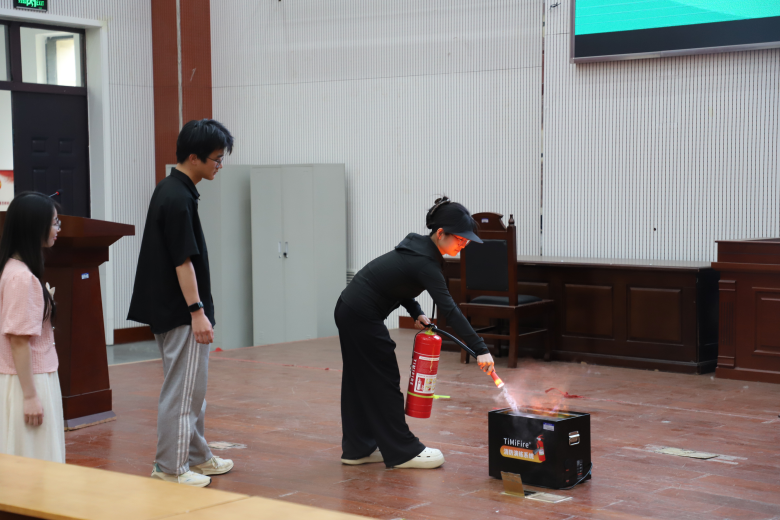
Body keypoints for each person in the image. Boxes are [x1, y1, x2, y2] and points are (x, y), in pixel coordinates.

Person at [335, 196, 495, 470]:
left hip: (350, 309)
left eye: (466, 241)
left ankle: (357, 448)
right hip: (360, 315)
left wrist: (416, 311)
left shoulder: (418, 251)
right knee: (384, 379)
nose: (463, 245)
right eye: (460, 239)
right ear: (440, 233)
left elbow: (397, 284)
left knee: (358, 380)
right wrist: (480, 348)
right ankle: (403, 451)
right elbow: (450, 310)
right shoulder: (425, 262)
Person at [128, 119, 235, 487]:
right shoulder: (177, 197)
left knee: (192, 389)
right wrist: (197, 312)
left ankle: (197, 457)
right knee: (183, 391)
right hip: (180, 312)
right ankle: (170, 468)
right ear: (194, 157)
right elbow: (182, 260)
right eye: (216, 159)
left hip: (173, 309)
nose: (219, 165)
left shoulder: (175, 190)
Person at [0, 192, 64, 462]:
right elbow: (19, 341)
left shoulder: (12, 269)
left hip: (26, 376)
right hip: (29, 378)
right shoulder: (22, 278)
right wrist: (30, 397)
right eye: (54, 222)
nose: (58, 228)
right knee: (36, 459)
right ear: (34, 226)